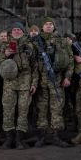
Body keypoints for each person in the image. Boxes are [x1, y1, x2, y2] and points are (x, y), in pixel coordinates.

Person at [32, 17, 73, 147]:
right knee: (42, 109)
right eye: (46, 24)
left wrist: (68, 77)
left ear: (54, 26)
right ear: (42, 27)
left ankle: (56, 136)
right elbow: (32, 64)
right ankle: (42, 136)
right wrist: (34, 82)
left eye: (51, 24)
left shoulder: (62, 41)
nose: (49, 26)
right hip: (41, 83)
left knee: (57, 109)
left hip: (57, 81)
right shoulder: (36, 42)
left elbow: (70, 60)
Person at [0, 22, 38, 149]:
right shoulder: (4, 45)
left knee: (23, 111)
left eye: (19, 30)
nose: (16, 31)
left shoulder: (29, 46)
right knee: (8, 110)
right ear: (11, 32)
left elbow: (35, 66)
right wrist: (6, 54)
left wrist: (34, 83)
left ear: (23, 32)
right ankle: (9, 138)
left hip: (25, 83)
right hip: (9, 83)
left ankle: (20, 139)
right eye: (14, 29)